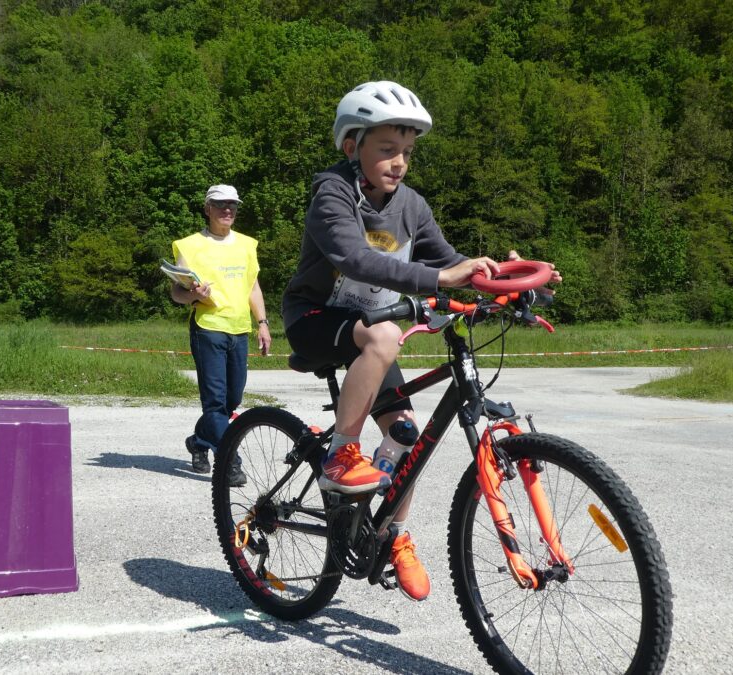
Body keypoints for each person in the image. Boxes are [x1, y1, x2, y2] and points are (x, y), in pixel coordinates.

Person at [281, 81, 560, 602]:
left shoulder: (411, 205)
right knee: (385, 335)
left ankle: (392, 536)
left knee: (407, 436)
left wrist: (510, 280)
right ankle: (341, 453)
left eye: (407, 151)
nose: (400, 162)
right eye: (387, 150)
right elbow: (353, 259)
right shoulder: (332, 194)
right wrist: (440, 282)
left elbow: (447, 261)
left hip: (373, 327)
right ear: (352, 147)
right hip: (316, 317)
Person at [170, 184, 272, 486]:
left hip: (239, 330)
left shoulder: (246, 244)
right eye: (220, 204)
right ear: (207, 209)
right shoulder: (189, 245)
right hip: (208, 328)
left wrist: (262, 322)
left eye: (232, 205)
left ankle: (199, 442)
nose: (227, 210)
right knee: (214, 404)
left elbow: (252, 286)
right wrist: (193, 296)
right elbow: (177, 292)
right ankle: (230, 462)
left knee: (231, 402)